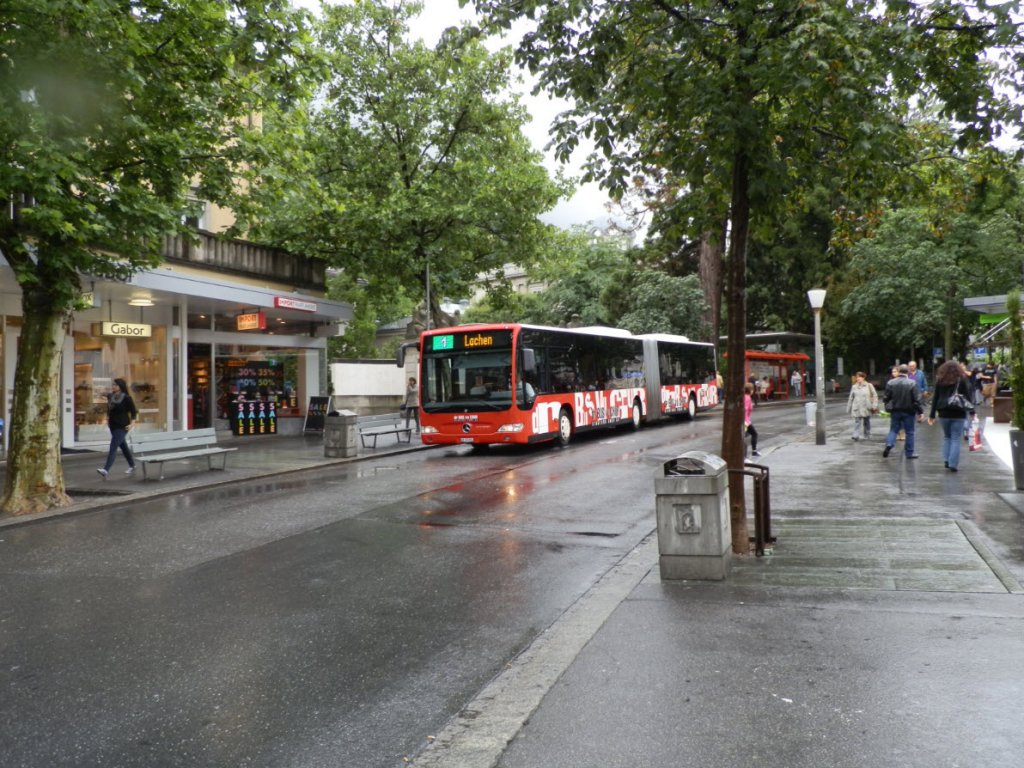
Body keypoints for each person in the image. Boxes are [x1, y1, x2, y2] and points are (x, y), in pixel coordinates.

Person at [927, 360, 974, 472]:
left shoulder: (940, 380)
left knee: (947, 437)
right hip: (958, 412)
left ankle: (946, 460)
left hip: (943, 413)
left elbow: (935, 398)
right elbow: (967, 397)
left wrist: (932, 415)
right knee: (956, 438)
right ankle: (953, 463)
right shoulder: (961, 380)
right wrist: (972, 412)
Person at [97, 378, 138, 478]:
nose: (113, 386)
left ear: (120, 386)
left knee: (113, 446)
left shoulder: (127, 398)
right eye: (113, 384)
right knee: (123, 446)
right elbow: (109, 408)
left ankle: (106, 470)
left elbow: (134, 412)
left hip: (123, 425)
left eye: (115, 385)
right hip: (113, 425)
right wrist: (107, 417)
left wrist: (132, 423)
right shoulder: (111, 396)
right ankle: (132, 465)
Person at [883, 364, 923, 459]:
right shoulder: (912, 383)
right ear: (907, 372)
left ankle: (889, 444)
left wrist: (888, 407)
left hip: (895, 410)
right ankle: (909, 453)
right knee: (910, 432)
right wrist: (920, 412)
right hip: (909, 411)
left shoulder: (891, 383)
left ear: (899, 371)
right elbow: (917, 399)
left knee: (893, 429)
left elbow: (886, 398)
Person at [846, 371, 878, 440]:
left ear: (863, 377)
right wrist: (848, 407)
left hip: (867, 407)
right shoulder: (854, 387)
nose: (858, 379)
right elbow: (851, 397)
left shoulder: (869, 385)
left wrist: (874, 405)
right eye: (857, 377)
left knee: (866, 421)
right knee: (857, 422)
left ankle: (867, 434)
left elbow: (875, 395)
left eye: (860, 377)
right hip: (857, 407)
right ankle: (856, 435)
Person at [744, 382, 760, 457]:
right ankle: (745, 457)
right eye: (752, 389)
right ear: (750, 390)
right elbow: (746, 409)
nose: (753, 391)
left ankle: (753, 452)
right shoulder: (747, 398)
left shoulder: (744, 396)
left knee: (752, 434)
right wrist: (746, 422)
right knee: (752, 435)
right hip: (745, 422)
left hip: (746, 421)